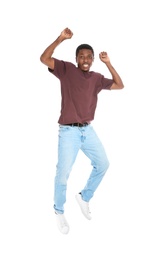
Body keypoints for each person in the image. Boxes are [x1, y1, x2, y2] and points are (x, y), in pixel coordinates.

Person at [40, 27, 124, 234]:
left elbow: (120, 85)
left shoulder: (96, 78)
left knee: (103, 164)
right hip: (68, 132)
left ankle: (84, 197)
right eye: (81, 56)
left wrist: (108, 63)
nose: (85, 59)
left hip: (88, 131)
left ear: (93, 59)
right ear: (76, 59)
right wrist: (60, 38)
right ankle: (59, 211)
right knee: (63, 174)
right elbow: (44, 58)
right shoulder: (66, 70)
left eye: (89, 56)